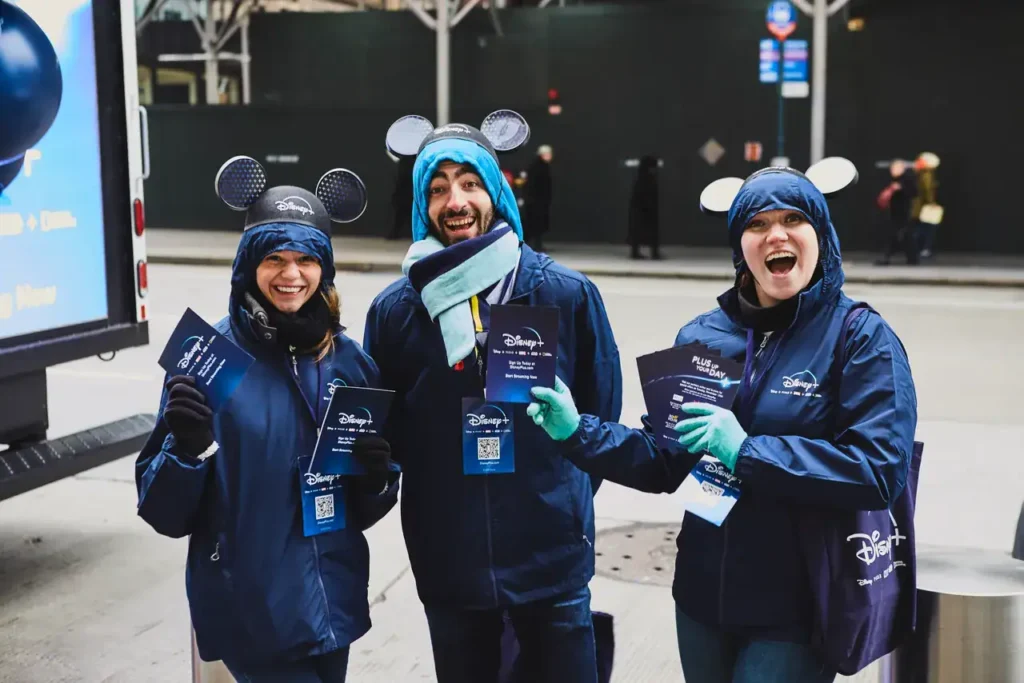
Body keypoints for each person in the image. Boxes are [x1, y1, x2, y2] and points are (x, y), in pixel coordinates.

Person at [527, 163, 918, 683]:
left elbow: (879, 472)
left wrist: (746, 451)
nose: (775, 233)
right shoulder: (705, 335)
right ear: (741, 247)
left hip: (796, 608)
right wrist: (577, 431)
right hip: (701, 597)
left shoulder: (861, 338)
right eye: (757, 224)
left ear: (820, 234)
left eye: (793, 219)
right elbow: (664, 460)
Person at [363, 118, 622, 683]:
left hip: (551, 555)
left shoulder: (564, 293)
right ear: (421, 203)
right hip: (449, 561)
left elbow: (601, 413)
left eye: (469, 183)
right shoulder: (396, 312)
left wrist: (557, 496)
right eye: (437, 188)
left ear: (497, 192)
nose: (455, 202)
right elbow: (389, 433)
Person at [135, 160, 399, 683]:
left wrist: (377, 480)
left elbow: (363, 508)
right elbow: (164, 513)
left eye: (306, 259)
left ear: (325, 268)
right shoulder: (207, 358)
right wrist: (186, 452)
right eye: (274, 258)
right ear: (247, 266)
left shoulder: (349, 362)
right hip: (252, 612)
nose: (291, 274)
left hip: (333, 608)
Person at [875, 158, 919, 265]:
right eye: (892, 168)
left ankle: (889, 257)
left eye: (896, 168)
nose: (893, 170)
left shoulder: (907, 179)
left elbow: (914, 193)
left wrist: (901, 188)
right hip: (895, 213)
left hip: (904, 213)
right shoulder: (894, 180)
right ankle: (910, 258)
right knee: (901, 236)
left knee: (901, 235)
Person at [627, 155, 662, 260]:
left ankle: (637, 252)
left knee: (638, 231)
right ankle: (652, 253)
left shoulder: (640, 177)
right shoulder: (648, 178)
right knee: (649, 231)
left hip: (640, 209)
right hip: (645, 209)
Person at [523, 144, 553, 252]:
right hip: (536, 202)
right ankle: (533, 246)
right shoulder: (539, 167)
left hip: (537, 202)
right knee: (534, 225)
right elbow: (534, 186)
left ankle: (535, 245)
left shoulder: (540, 166)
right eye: (548, 154)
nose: (550, 156)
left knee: (535, 225)